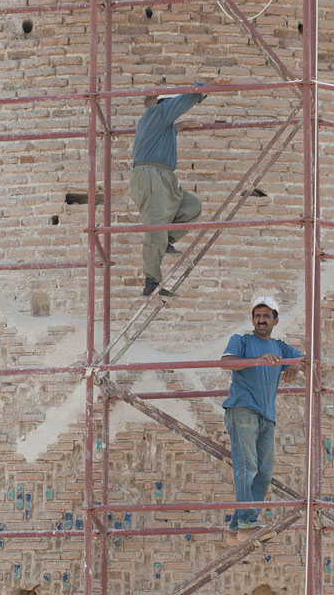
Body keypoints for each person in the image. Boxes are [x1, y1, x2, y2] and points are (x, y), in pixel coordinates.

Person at [130, 79, 229, 297]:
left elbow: (163, 134)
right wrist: (203, 88)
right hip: (151, 175)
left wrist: (180, 127)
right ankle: (152, 282)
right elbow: (183, 102)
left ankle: (167, 240)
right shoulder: (157, 113)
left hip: (163, 176)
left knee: (192, 206)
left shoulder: (160, 125)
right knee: (155, 226)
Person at [219, 292, 304, 532]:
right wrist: (259, 360)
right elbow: (226, 362)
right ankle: (247, 520)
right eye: (257, 316)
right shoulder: (242, 340)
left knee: (264, 473)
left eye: (266, 316)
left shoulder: (279, 346)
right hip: (243, 410)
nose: (261, 320)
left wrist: (295, 366)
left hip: (267, 416)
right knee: (247, 466)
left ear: (275, 320)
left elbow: (305, 359)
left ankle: (240, 523)